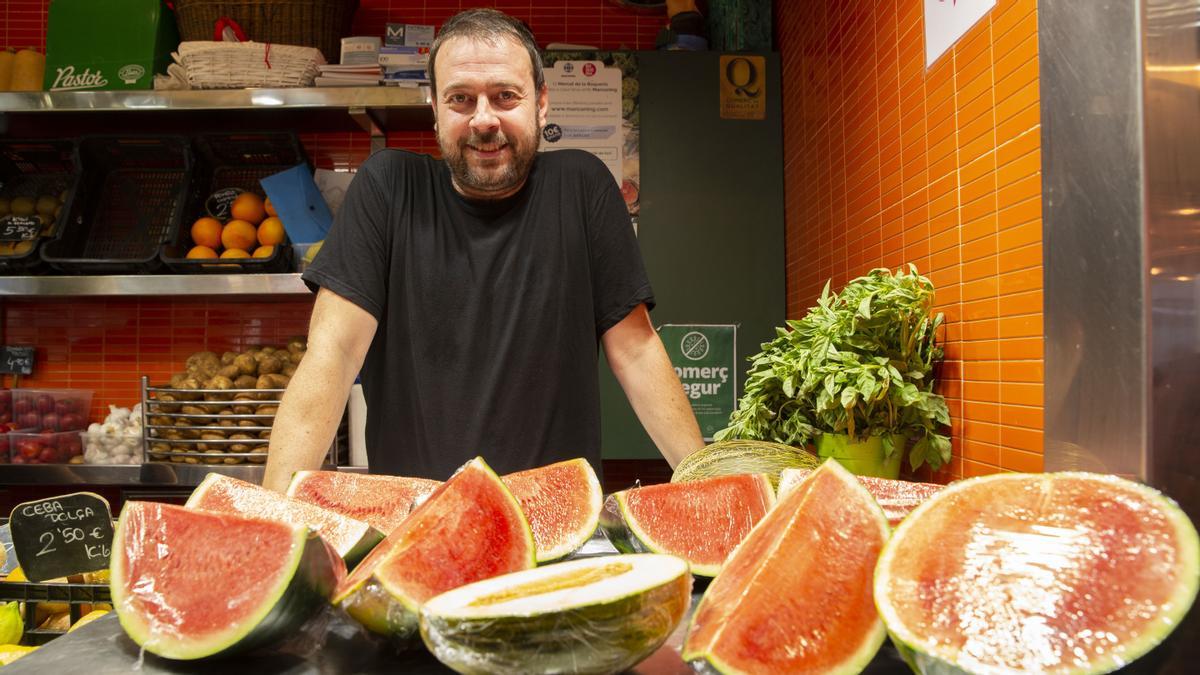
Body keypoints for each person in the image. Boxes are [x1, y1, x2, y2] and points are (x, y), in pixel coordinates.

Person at [262, 8, 703, 491]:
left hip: (555, 527)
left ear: (541, 104)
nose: (484, 119)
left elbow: (636, 351)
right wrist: (275, 509)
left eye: (505, 96)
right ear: (435, 108)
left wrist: (706, 485)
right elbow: (334, 352)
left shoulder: (583, 187)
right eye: (461, 99)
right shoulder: (388, 187)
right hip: (416, 525)